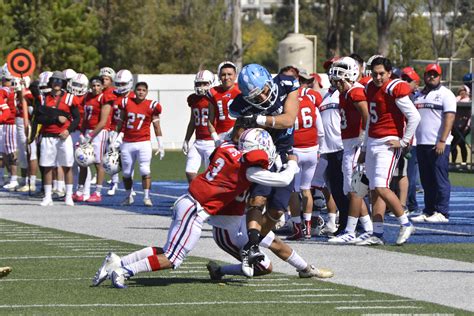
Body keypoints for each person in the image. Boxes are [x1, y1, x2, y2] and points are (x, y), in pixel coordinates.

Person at [92, 128, 302, 288]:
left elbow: (225, 135)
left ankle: (118, 261)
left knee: (168, 251)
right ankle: (125, 271)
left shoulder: (226, 146)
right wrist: (292, 163)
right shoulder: (249, 170)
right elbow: (283, 180)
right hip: (196, 210)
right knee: (173, 259)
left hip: (188, 202)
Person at [228, 63, 300, 270]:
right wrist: (245, 127)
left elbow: (288, 120)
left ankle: (254, 243)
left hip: (286, 153)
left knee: (277, 210)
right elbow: (237, 136)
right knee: (257, 200)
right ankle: (251, 244)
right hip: (262, 155)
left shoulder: (286, 84)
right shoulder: (240, 105)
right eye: (255, 97)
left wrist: (258, 119)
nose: (262, 99)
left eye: (264, 92)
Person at [358, 57, 420, 245]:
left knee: (382, 187)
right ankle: (377, 233)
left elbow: (414, 117)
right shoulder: (370, 87)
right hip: (373, 141)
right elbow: (371, 120)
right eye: (375, 73)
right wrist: (365, 145)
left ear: (389, 72)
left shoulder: (395, 87)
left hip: (387, 142)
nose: (377, 77)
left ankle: (405, 223)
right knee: (373, 190)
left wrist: (403, 141)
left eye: (381, 74)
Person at [326, 57, 372, 244]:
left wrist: (363, 140)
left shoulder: (355, 92)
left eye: (340, 80)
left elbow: (367, 116)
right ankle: (368, 228)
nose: (337, 84)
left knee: (354, 188)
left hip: (355, 143)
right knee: (350, 189)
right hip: (348, 144)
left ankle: (350, 231)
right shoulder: (346, 93)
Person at [411, 64, 456, 223]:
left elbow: (449, 118)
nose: (431, 77)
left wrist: (442, 140)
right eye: (429, 74)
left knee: (440, 179)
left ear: (440, 77)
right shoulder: (419, 96)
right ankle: (429, 210)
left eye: (434, 75)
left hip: (438, 143)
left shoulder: (446, 94)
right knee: (426, 180)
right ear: (424, 76)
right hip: (421, 143)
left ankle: (442, 212)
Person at [35, 71, 81, 206]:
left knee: (67, 166)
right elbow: (38, 118)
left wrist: (68, 130)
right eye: (54, 81)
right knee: (47, 167)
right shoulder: (43, 98)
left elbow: (77, 118)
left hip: (63, 137)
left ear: (63, 83)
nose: (56, 83)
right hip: (48, 136)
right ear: (51, 82)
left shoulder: (69, 98)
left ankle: (68, 196)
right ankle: (48, 196)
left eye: (59, 81)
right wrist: (55, 118)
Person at [114, 79, 163, 207]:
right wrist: (116, 137)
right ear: (134, 91)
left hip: (143, 142)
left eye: (143, 90)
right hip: (127, 142)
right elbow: (120, 122)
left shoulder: (152, 105)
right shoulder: (125, 102)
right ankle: (128, 196)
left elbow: (157, 126)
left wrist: (160, 144)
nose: (141, 92)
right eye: (139, 90)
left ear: (147, 92)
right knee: (126, 172)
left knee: (144, 169)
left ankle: (146, 197)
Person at [287, 94, 324, 240]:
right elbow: (320, 132)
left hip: (296, 150)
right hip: (312, 150)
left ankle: (297, 227)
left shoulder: (288, 104)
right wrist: (319, 149)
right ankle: (308, 226)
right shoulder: (310, 103)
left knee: (294, 190)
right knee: (306, 188)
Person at [74, 76, 111, 202]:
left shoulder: (104, 98)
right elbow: (85, 118)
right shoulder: (87, 97)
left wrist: (90, 136)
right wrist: (82, 133)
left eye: (98, 85)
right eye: (93, 85)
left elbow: (103, 122)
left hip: (100, 132)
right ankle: (79, 191)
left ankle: (98, 192)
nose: (95, 88)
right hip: (88, 131)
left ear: (102, 86)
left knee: (97, 161)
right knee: (82, 161)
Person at [182, 70, 215, 183]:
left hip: (211, 142)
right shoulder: (193, 99)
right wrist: (186, 139)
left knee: (211, 175)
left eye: (204, 83)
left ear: (211, 83)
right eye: (198, 84)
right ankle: (197, 196)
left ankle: (210, 198)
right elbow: (192, 121)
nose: (201, 86)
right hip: (198, 141)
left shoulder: (214, 99)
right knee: (190, 172)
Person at [401, 66, 422, 214]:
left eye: (408, 80)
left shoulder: (416, 97)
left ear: (416, 83)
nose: (405, 82)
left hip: (411, 141)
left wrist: (408, 140)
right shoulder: (400, 95)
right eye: (403, 79)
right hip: (401, 139)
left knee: (409, 174)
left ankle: (411, 205)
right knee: (399, 174)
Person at [207, 61, 240, 145]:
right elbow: (210, 121)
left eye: (229, 74)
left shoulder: (242, 89)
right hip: (221, 137)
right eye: (223, 74)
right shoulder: (213, 92)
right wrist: (215, 138)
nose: (226, 77)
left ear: (235, 75)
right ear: (219, 76)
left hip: (240, 135)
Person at [99, 67, 120, 196]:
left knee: (117, 157)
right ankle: (113, 181)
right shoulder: (98, 92)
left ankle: (117, 182)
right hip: (104, 128)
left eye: (106, 79)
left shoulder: (115, 93)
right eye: (102, 78)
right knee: (106, 157)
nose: (104, 81)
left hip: (114, 128)